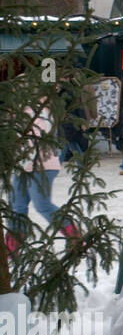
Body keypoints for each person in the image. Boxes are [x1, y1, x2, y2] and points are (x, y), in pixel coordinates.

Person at [6, 99, 79, 259]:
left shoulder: (39, 110)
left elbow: (37, 139)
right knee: (17, 206)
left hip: (42, 165)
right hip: (22, 166)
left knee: (42, 205)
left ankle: (75, 237)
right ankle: (12, 247)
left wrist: (20, 160)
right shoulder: (18, 111)